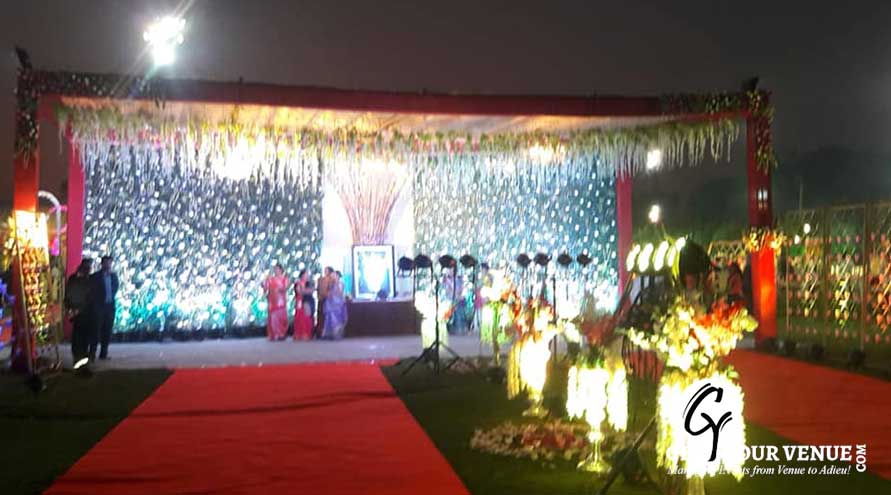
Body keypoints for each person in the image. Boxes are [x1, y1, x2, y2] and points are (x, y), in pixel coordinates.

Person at [89, 255, 119, 360]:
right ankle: (92, 353)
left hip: (110, 307)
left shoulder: (113, 276)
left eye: (109, 263)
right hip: (99, 307)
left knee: (107, 330)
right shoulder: (95, 277)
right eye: (106, 263)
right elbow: (92, 292)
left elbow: (115, 288)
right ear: (102, 264)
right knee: (96, 331)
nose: (108, 265)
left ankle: (103, 353)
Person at [65, 258, 93, 365]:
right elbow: (70, 294)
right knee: (78, 336)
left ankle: (82, 356)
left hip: (84, 312)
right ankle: (78, 356)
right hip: (79, 311)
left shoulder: (87, 279)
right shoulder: (77, 279)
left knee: (83, 336)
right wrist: (71, 308)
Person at [263, 264, 289, 341]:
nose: (276, 271)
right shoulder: (270, 279)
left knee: (281, 317)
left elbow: (286, 288)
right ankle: (274, 334)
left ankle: (281, 333)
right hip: (272, 301)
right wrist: (264, 286)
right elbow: (265, 288)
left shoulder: (284, 279)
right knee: (273, 317)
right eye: (275, 269)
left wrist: (279, 289)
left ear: (281, 270)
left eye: (277, 269)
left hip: (280, 301)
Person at [321, 271, 348, 340]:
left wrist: (333, 292)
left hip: (337, 303)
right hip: (330, 303)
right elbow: (327, 292)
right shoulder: (331, 284)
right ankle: (329, 334)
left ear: (338, 276)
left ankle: (337, 334)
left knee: (337, 319)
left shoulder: (340, 283)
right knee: (329, 318)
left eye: (334, 275)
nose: (332, 277)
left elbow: (340, 293)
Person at [293, 269, 315, 341]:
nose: (307, 275)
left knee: (307, 317)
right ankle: (299, 334)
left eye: (308, 274)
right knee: (299, 316)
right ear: (302, 275)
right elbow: (299, 291)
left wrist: (304, 291)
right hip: (300, 300)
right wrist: (305, 291)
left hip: (308, 300)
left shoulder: (310, 282)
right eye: (306, 274)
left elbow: (311, 291)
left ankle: (307, 334)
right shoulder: (298, 282)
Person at [316, 266, 335, 337]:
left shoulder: (332, 280)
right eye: (325, 270)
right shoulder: (321, 279)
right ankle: (320, 332)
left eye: (327, 270)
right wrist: (319, 295)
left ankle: (328, 332)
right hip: (321, 299)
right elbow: (318, 289)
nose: (325, 271)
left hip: (328, 300)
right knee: (320, 315)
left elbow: (332, 289)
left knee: (327, 316)